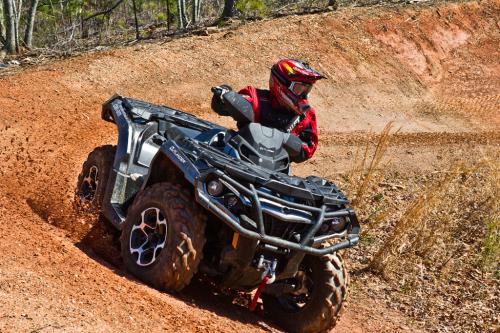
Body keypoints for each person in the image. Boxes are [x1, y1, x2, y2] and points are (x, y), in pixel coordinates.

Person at [211, 59, 324, 162]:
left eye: (307, 90)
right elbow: (222, 108)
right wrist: (225, 95)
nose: (303, 95)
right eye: (299, 89)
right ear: (281, 83)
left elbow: (308, 149)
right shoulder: (257, 98)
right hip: (240, 155)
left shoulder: (306, 115)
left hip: (276, 167)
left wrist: (292, 143)